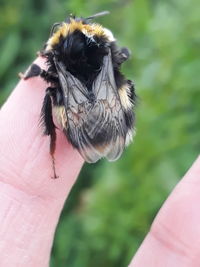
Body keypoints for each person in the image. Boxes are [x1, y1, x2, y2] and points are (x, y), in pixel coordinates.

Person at [0, 57, 199, 267]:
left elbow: (47, 72)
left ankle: (54, 146)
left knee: (51, 89)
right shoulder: (97, 58)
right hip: (97, 118)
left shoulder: (65, 60)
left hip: (84, 119)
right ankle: (116, 132)